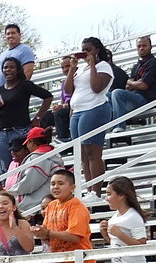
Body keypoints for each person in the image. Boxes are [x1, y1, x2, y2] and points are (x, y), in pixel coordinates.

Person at [0, 57, 52, 183]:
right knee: (5, 169)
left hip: (20, 131)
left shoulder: (24, 85)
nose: (8, 70)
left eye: (11, 67)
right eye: (5, 67)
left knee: (24, 165)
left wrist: (38, 117)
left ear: (18, 69)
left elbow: (48, 96)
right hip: (2, 133)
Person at [65, 37, 114, 190]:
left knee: (92, 151)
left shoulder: (104, 66)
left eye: (89, 50)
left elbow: (97, 87)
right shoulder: (80, 69)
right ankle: (88, 188)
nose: (85, 53)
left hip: (94, 108)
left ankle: (96, 190)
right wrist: (72, 68)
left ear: (97, 50)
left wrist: (93, 65)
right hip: (78, 111)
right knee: (82, 154)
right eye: (83, 50)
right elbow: (67, 90)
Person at [100, 176, 151, 263]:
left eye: (109, 194)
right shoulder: (114, 217)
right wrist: (105, 234)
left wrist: (119, 234)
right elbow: (117, 245)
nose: (106, 198)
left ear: (121, 195)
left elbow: (142, 245)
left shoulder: (133, 216)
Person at [5, 126, 63, 215]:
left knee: (0, 204)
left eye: (27, 143)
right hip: (48, 196)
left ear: (31, 142)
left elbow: (28, 185)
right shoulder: (51, 154)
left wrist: (9, 192)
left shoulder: (38, 158)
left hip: (39, 201)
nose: (27, 146)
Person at [110, 37, 156, 129]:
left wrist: (130, 82)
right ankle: (105, 129)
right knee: (107, 95)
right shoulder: (136, 66)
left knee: (117, 93)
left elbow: (143, 86)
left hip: (147, 99)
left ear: (150, 47)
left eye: (144, 46)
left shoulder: (153, 63)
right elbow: (128, 87)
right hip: (134, 97)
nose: (141, 48)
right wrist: (135, 83)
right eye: (139, 46)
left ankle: (119, 127)